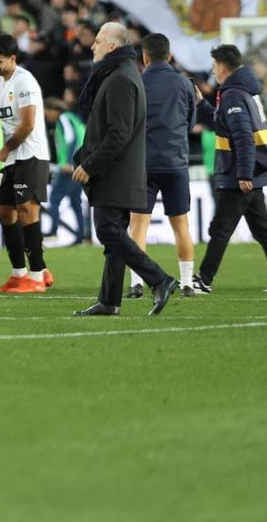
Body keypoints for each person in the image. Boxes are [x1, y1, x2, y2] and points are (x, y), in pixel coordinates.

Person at [71, 22, 177, 317]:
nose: (92, 45)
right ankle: (109, 301)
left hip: (115, 172)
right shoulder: (120, 73)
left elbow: (119, 133)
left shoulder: (120, 78)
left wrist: (90, 165)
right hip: (119, 171)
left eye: (98, 40)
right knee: (114, 236)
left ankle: (160, 279)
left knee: (108, 231)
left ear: (112, 46)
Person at [193, 44, 267, 294]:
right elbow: (224, 124)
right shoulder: (242, 92)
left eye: (214, 65)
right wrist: (201, 104)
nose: (213, 70)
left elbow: (242, 136)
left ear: (223, 67)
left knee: (221, 229)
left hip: (239, 173)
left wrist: (243, 174)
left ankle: (203, 280)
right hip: (251, 171)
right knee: (262, 230)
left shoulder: (233, 95)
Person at [128, 33, 198, 299]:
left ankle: (136, 283)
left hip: (143, 164)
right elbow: (190, 123)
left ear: (144, 57)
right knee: (181, 225)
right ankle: (187, 283)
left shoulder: (136, 82)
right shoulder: (184, 83)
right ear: (169, 56)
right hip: (175, 162)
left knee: (138, 226)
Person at [0, 34, 51, 294]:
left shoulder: (24, 80)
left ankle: (37, 275)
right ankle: (19, 273)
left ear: (13, 59)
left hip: (30, 154)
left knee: (26, 209)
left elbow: (28, 124)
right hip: (10, 157)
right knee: (5, 213)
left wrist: (5, 148)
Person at [43, 97, 87, 243]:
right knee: (75, 202)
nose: (47, 117)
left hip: (70, 167)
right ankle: (81, 235)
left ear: (53, 110)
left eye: (47, 113)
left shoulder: (63, 119)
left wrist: (69, 162)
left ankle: (53, 231)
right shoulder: (74, 118)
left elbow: (71, 139)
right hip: (80, 165)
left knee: (54, 198)